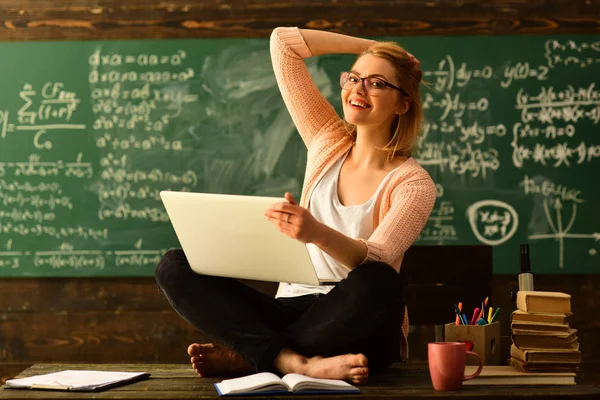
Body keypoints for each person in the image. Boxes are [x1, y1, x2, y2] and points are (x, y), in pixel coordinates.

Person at [155, 27, 437, 385]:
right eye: (354, 77)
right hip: (291, 309)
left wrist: (316, 233)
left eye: (377, 83)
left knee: (380, 280)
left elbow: (377, 260)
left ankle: (254, 355)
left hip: (358, 322)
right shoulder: (326, 141)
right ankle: (293, 363)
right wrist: (373, 49)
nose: (358, 89)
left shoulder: (413, 184)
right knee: (174, 266)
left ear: (403, 104)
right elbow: (283, 44)